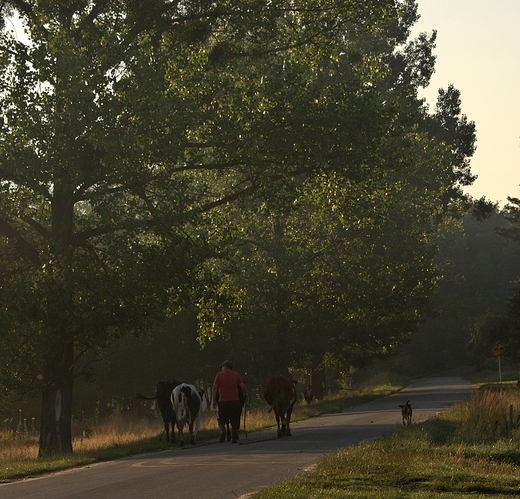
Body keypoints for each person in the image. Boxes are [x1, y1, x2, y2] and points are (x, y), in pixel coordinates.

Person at [212, 360, 247, 443]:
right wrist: (246, 395)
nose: (221, 369)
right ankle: (234, 434)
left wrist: (214, 400)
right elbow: (243, 387)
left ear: (225, 366)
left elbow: (214, 388)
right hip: (234, 401)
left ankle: (222, 431)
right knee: (235, 417)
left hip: (223, 401)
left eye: (222, 367)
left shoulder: (219, 375)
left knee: (222, 418)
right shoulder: (236, 375)